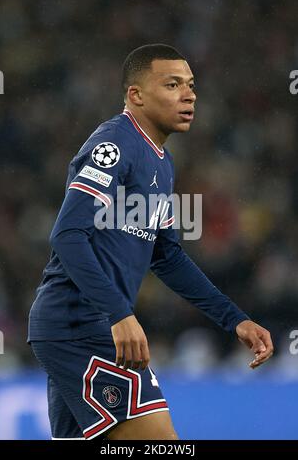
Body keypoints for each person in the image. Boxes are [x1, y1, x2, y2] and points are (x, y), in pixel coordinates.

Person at [28, 44, 274, 441]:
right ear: (136, 95)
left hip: (77, 327)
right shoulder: (114, 144)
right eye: (173, 84)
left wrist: (235, 319)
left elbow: (167, 255)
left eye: (191, 85)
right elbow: (68, 234)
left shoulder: (161, 160)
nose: (189, 94)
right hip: (84, 325)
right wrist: (119, 315)